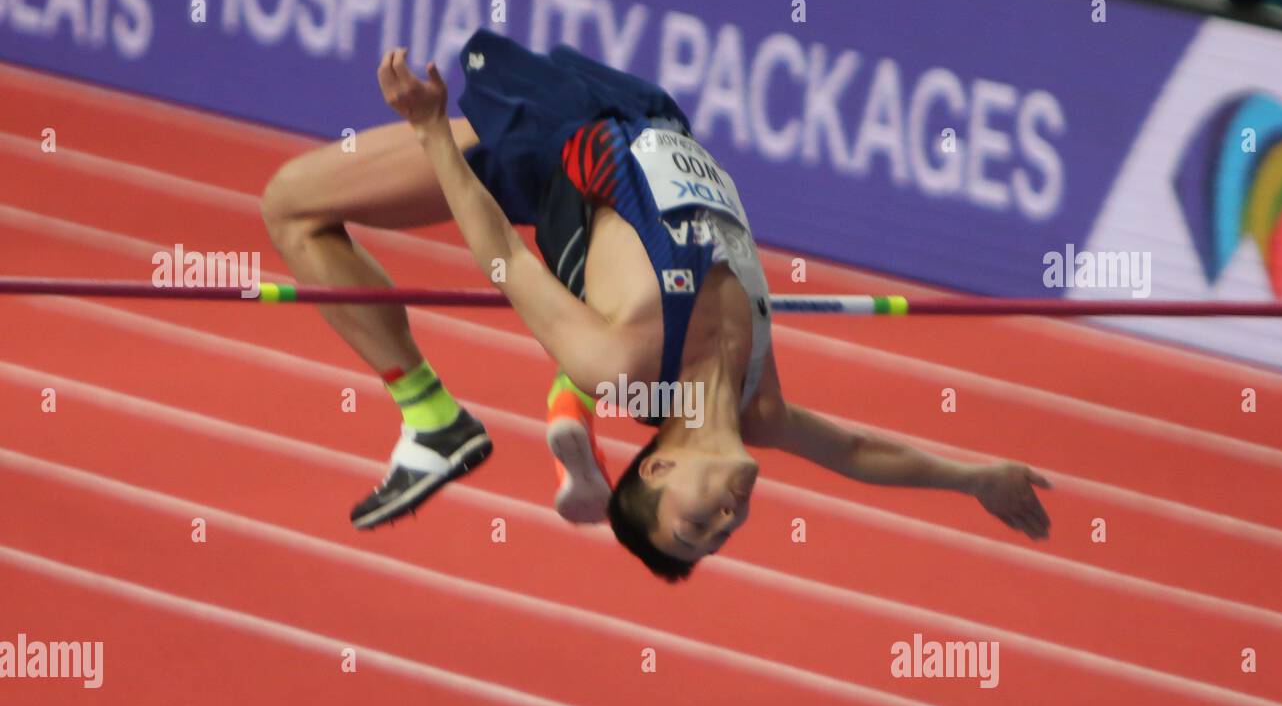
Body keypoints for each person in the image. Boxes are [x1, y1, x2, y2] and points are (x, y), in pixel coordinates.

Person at [262, 30, 1051, 581]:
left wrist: (433, 130)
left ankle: (429, 413)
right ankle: (452, 423)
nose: (726, 522)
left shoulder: (618, 361)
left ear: (665, 463)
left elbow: (500, 253)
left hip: (541, 150)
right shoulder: (759, 408)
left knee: (290, 204)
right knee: (296, 206)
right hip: (642, 116)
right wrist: (973, 479)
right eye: (723, 537)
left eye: (695, 524)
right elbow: (859, 452)